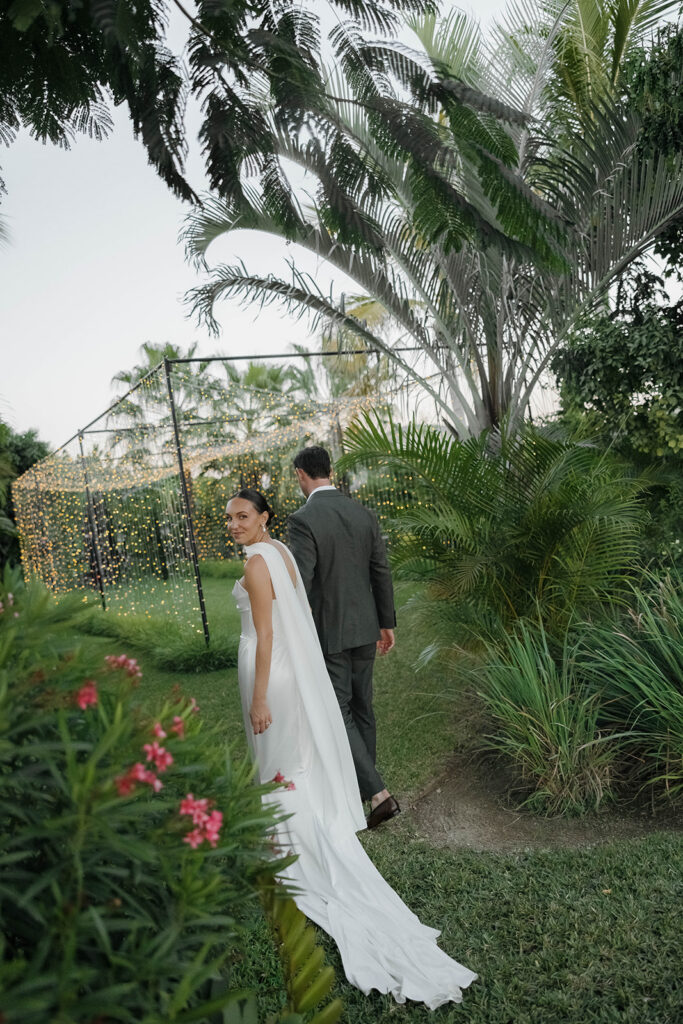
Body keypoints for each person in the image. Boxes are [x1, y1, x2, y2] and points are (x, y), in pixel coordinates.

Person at [226, 488, 477, 1008]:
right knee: (298, 758)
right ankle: (288, 832)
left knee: (280, 764)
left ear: (264, 516)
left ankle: (286, 844)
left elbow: (268, 635)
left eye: (242, 515)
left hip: (270, 676)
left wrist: (257, 697)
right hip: (297, 672)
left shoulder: (257, 563)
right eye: (229, 517)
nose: (233, 524)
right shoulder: (281, 554)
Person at [287, 445, 399, 829]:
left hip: (329, 629)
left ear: (301, 475)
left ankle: (378, 793)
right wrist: (387, 623)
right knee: (362, 706)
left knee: (339, 708)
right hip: (366, 625)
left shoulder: (303, 519)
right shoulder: (362, 512)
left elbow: (302, 580)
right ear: (330, 471)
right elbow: (380, 570)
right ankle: (363, 793)